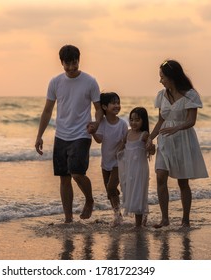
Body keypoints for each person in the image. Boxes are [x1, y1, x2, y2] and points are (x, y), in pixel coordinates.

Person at [35, 44, 103, 223]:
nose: (72, 68)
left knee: (77, 173)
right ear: (61, 63)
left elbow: (98, 108)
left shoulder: (90, 81)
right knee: (64, 178)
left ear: (79, 60)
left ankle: (89, 200)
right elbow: (48, 110)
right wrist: (39, 135)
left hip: (81, 134)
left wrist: (96, 124)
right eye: (68, 64)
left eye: (75, 63)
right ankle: (68, 219)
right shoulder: (55, 82)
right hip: (61, 135)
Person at [146, 59, 208, 228]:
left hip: (183, 140)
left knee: (182, 182)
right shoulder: (161, 95)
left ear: (172, 77)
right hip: (165, 139)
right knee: (160, 176)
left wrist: (177, 128)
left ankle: (185, 220)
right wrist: (150, 138)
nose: (160, 80)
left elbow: (191, 121)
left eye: (162, 77)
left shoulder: (190, 94)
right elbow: (160, 121)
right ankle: (164, 219)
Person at [92, 92, 128, 227]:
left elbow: (126, 140)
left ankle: (118, 214)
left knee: (111, 187)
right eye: (113, 103)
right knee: (110, 191)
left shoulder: (122, 124)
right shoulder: (102, 123)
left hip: (119, 161)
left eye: (118, 103)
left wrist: (121, 147)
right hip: (105, 162)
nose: (117, 105)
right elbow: (99, 140)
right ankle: (117, 215)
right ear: (104, 107)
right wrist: (93, 132)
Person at [118, 107, 152, 227]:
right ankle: (143, 217)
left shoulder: (144, 134)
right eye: (131, 120)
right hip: (129, 169)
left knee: (138, 194)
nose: (133, 123)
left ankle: (138, 224)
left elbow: (152, 151)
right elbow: (122, 146)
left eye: (137, 120)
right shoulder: (128, 133)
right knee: (130, 192)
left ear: (143, 121)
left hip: (140, 170)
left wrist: (150, 146)